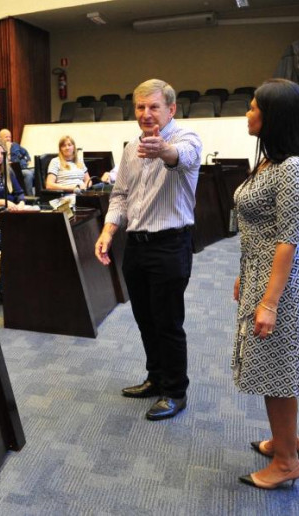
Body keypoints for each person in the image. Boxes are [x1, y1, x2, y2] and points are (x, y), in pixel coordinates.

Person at [231, 79, 299, 489]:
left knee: (276, 371)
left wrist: (269, 302)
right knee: (275, 367)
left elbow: (287, 238)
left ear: (275, 117)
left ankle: (287, 462)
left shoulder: (294, 169)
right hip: (262, 274)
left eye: (254, 107)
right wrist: (244, 273)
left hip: (284, 285)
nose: (248, 113)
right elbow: (259, 228)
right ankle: (288, 439)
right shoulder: (271, 162)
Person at [94, 78, 201, 421]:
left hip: (170, 245)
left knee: (168, 321)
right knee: (145, 319)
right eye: (140, 107)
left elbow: (180, 157)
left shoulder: (186, 139)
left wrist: (162, 150)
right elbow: (120, 195)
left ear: (171, 109)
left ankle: (175, 391)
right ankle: (155, 378)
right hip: (136, 247)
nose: (146, 114)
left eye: (154, 106)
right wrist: (109, 230)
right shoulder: (130, 148)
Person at [0, 129, 34, 195]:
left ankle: (39, 197)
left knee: (35, 171)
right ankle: (30, 197)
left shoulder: (15, 145)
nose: (8, 139)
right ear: (0, 138)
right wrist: (8, 150)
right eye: (6, 137)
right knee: (28, 174)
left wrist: (28, 160)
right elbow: (7, 160)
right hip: (12, 170)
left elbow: (25, 152)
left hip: (23, 166)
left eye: (9, 137)